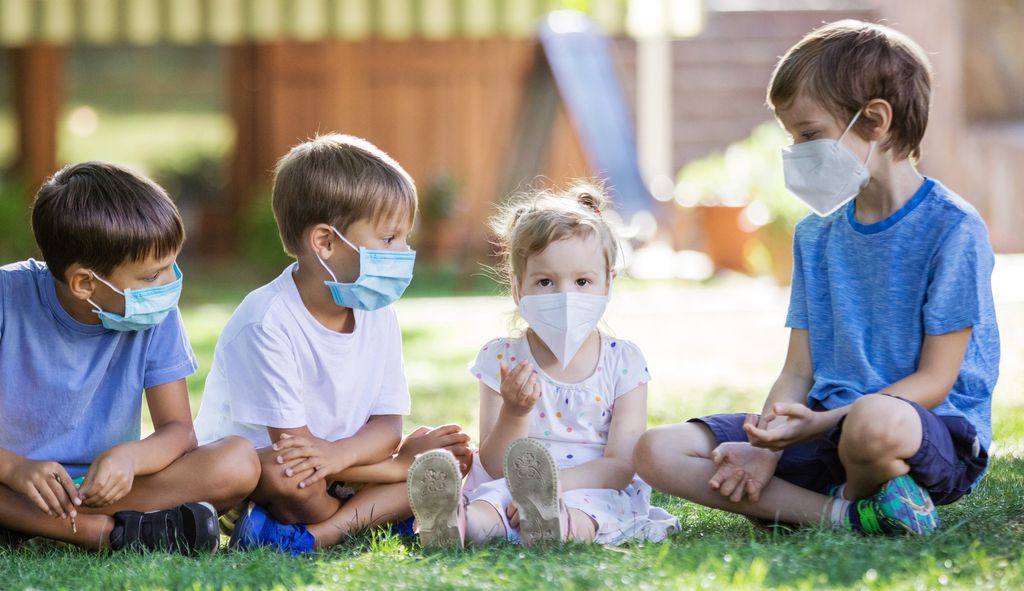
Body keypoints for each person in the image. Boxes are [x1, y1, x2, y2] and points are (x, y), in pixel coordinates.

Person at [633, 20, 999, 535]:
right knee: (657, 450)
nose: (798, 152)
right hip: (822, 426)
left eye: (809, 135)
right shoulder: (815, 235)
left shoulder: (952, 229)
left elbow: (935, 382)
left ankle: (832, 495)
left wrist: (827, 422)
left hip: (920, 430)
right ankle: (851, 513)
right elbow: (798, 371)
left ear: (874, 120)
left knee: (873, 419)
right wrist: (764, 445)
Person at [194, 134, 471, 555]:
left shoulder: (378, 312)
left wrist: (357, 458)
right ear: (324, 243)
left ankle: (316, 533)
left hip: (342, 465)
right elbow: (297, 455)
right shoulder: (267, 321)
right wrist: (397, 465)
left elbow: (385, 427)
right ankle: (368, 517)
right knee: (295, 479)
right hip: (267, 477)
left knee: (445, 458)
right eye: (390, 239)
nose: (405, 252)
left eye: (404, 238)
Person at [0, 162, 260, 553]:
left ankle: (30, 523)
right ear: (85, 282)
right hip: (11, 482)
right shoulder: (7, 297)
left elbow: (178, 431)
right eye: (151, 275)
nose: (171, 281)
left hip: (108, 490)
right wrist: (15, 468)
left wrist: (131, 457)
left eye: (172, 263)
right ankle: (105, 533)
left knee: (238, 462)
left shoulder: (153, 312)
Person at [407, 184, 679, 547]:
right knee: (492, 503)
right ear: (519, 288)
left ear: (608, 283)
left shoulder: (623, 362)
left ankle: (557, 526)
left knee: (587, 514)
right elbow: (490, 462)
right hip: (511, 481)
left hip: (591, 486)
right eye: (546, 281)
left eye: (583, 281)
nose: (566, 296)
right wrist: (515, 413)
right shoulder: (501, 359)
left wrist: (551, 488)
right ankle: (453, 522)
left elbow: (620, 465)